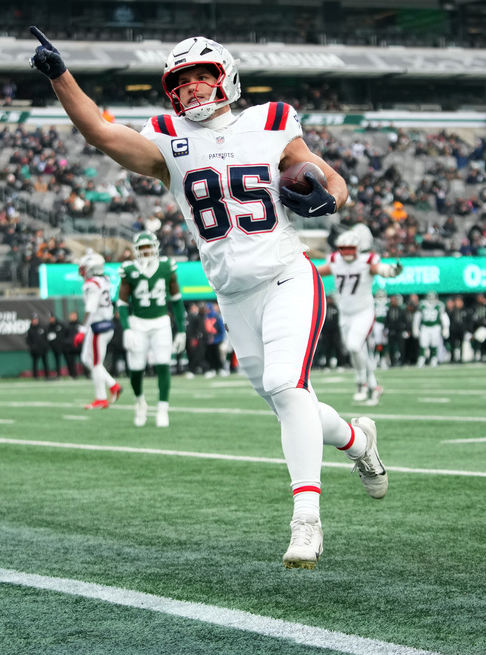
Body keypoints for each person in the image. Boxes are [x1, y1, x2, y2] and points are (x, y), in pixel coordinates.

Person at [30, 29, 387, 568]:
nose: (194, 89)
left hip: (288, 274)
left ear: (226, 77)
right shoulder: (167, 138)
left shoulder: (270, 122)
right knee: (290, 401)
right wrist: (61, 76)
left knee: (285, 386)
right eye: (183, 82)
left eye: (202, 77)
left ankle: (306, 521)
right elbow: (101, 132)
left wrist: (329, 199)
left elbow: (330, 178)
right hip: (232, 294)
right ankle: (357, 440)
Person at [314, 228, 401, 405]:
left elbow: (379, 269)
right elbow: (317, 271)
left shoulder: (366, 260)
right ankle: (375, 387)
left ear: (358, 248)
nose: (346, 252)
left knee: (355, 346)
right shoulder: (334, 260)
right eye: (343, 248)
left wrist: (392, 271)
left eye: (350, 248)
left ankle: (361, 382)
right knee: (357, 351)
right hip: (345, 314)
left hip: (364, 311)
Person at [118, 231, 186, 427]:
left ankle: (163, 409)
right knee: (136, 368)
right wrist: (127, 328)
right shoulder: (129, 269)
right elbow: (122, 303)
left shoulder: (166, 266)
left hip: (161, 323)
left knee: (163, 363)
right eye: (142, 248)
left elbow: (176, 299)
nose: (146, 252)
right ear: (136, 250)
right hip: (138, 323)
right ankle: (140, 403)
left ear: (155, 248)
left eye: (149, 247)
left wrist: (181, 329)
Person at [78, 252, 122, 408]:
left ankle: (101, 397)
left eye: (84, 269)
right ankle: (113, 385)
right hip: (101, 323)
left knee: (96, 363)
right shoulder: (105, 280)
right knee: (86, 359)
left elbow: (90, 308)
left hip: (99, 325)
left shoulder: (92, 284)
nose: (82, 272)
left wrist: (82, 330)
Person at [415, 291, 449, 368]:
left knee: (435, 343)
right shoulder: (422, 305)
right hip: (425, 327)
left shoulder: (439, 305)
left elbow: (444, 317)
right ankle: (422, 358)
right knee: (423, 343)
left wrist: (446, 327)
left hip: (435, 327)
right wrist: (415, 327)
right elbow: (417, 317)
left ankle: (434, 358)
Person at [25, 313, 50, 379]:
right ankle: (35, 376)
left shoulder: (42, 328)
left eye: (36, 320)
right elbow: (28, 340)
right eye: (33, 320)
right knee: (35, 363)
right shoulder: (30, 330)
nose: (35, 321)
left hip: (43, 349)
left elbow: (46, 338)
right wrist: (33, 347)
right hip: (35, 350)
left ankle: (47, 376)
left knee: (45, 362)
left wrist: (45, 346)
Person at [46, 312, 66, 378]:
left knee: (67, 359)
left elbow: (65, 334)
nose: (51, 319)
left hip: (63, 346)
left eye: (52, 317)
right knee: (57, 360)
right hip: (54, 347)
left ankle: (71, 373)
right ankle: (58, 373)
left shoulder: (60, 324)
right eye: (49, 318)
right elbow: (48, 337)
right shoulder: (48, 327)